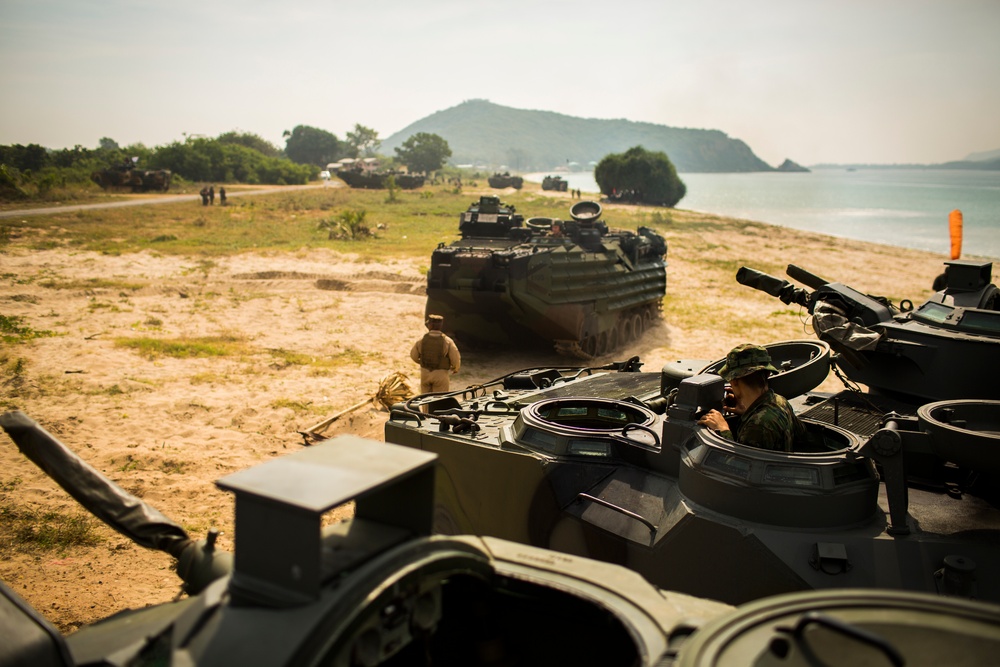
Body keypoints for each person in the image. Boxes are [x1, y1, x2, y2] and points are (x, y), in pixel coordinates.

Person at [697, 343, 805, 452]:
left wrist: (722, 429)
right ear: (767, 374)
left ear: (733, 381)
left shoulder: (758, 425)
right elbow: (802, 436)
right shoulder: (780, 401)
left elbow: (738, 465)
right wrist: (748, 413)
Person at [410, 314, 461, 393]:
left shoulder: (422, 340)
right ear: (440, 326)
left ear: (430, 325)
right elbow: (455, 357)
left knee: (425, 400)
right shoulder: (447, 341)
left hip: (425, 373)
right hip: (440, 374)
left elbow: (413, 356)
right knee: (439, 400)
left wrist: (422, 362)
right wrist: (455, 368)